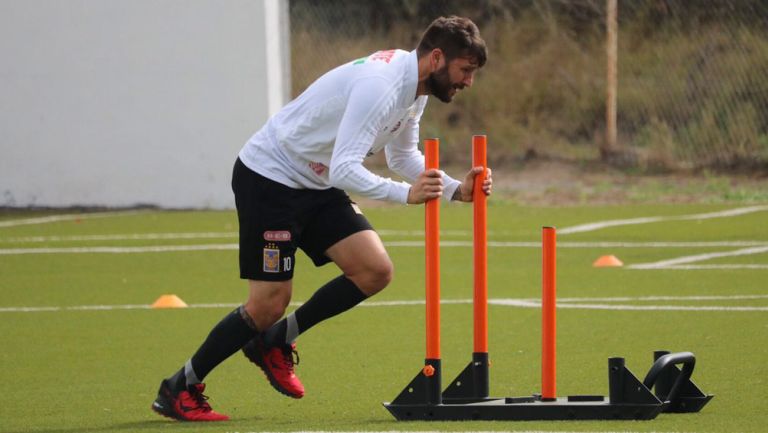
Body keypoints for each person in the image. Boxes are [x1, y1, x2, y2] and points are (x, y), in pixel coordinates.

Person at [151, 15, 491, 422]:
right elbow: (347, 167)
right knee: (268, 303)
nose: (468, 82)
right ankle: (180, 386)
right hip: (270, 178)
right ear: (437, 58)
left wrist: (456, 189)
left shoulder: (415, 89)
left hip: (316, 180)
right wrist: (405, 194)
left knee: (374, 270)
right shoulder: (380, 86)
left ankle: (274, 342)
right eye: (465, 70)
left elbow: (402, 156)